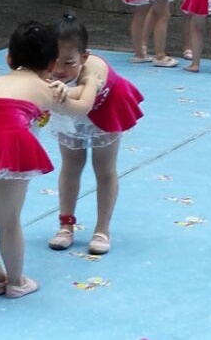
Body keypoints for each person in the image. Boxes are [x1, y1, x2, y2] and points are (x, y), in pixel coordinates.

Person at [0, 22, 101, 299]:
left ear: (9, 58)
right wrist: (92, 82)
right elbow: (81, 107)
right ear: (52, 64)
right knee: (8, 219)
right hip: (8, 140)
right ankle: (16, 282)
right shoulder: (44, 88)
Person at [45, 14, 144, 256]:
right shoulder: (49, 70)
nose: (59, 69)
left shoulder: (94, 69)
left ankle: (102, 229)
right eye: (53, 61)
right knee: (71, 165)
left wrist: (58, 90)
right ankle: (66, 225)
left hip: (106, 107)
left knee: (104, 168)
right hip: (71, 109)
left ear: (84, 56)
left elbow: (82, 96)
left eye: (68, 62)